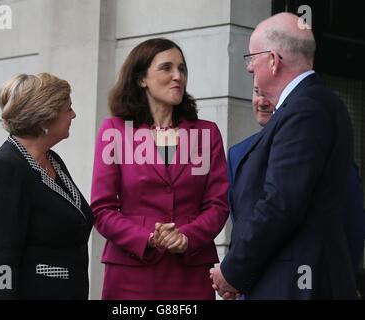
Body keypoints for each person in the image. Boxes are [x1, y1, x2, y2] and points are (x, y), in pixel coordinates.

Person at [210, 12, 357, 299]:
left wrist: (232, 270)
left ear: (273, 60)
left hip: (295, 285)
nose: (250, 68)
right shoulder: (309, 103)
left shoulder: (306, 108)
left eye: (252, 58)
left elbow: (281, 203)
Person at [90, 38, 229, 299]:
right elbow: (102, 209)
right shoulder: (115, 132)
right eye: (167, 68)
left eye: (182, 69)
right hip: (131, 272)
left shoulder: (206, 133)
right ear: (142, 78)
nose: (178, 76)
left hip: (190, 270)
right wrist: (147, 238)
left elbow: (218, 205)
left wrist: (187, 237)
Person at [227, 82, 365, 296]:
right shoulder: (237, 154)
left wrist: (342, 274)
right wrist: (238, 275)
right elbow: (242, 224)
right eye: (256, 92)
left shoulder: (323, 147)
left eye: (268, 94)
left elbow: (351, 220)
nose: (261, 101)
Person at [0, 73, 94, 299]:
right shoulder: (6, 169)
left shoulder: (52, 160)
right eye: (68, 109)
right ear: (45, 119)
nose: (74, 115)